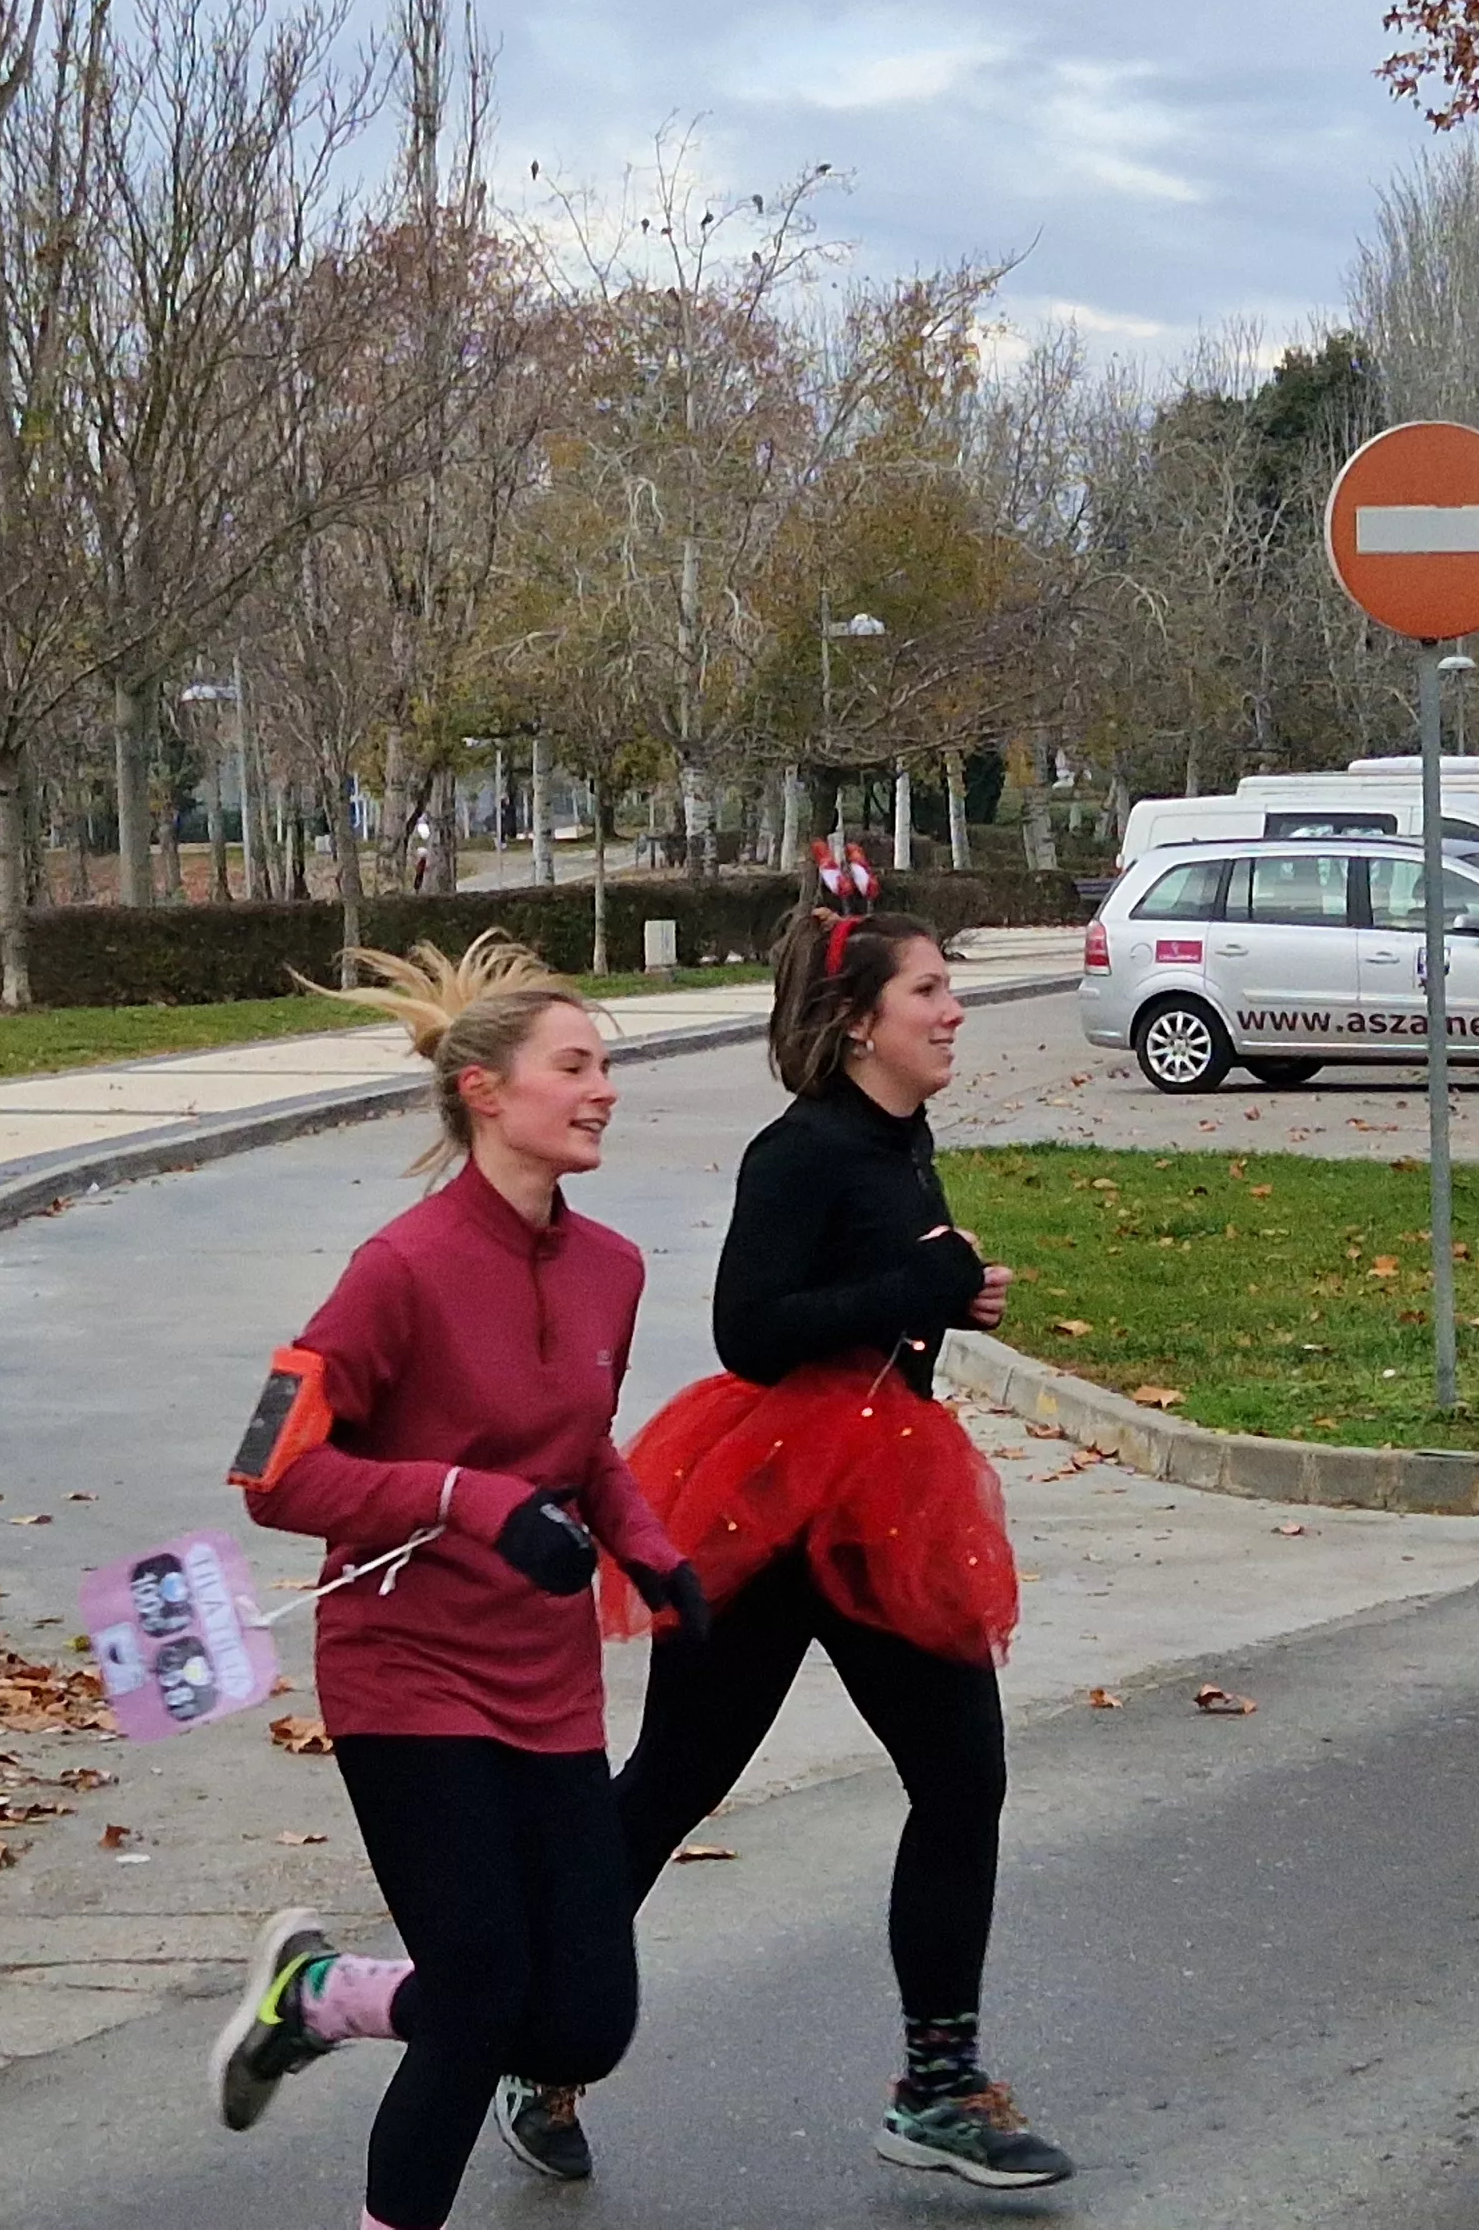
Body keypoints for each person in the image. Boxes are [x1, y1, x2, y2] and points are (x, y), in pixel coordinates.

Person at [508, 905, 1069, 2194]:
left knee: (961, 1778)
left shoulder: (900, 1136)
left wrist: (949, 1297)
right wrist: (913, 1293)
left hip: (881, 1504)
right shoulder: (800, 1149)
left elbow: (879, 1300)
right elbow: (750, 1332)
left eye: (949, 987)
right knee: (671, 1783)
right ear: (861, 1018)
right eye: (929, 990)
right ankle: (534, 2040)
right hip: (769, 1508)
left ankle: (936, 2086)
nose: (953, 1009)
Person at [206, 936, 701, 2230]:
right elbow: (268, 1469)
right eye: (576, 1065)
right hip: (405, 1672)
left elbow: (579, 1440)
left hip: (544, 1685)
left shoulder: (613, 1270)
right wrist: (462, 1500)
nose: (604, 1089)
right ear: (487, 1090)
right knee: (479, 1994)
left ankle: (318, 1997)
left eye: (608, 1065)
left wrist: (649, 1546)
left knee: (582, 2024)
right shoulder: (399, 1270)